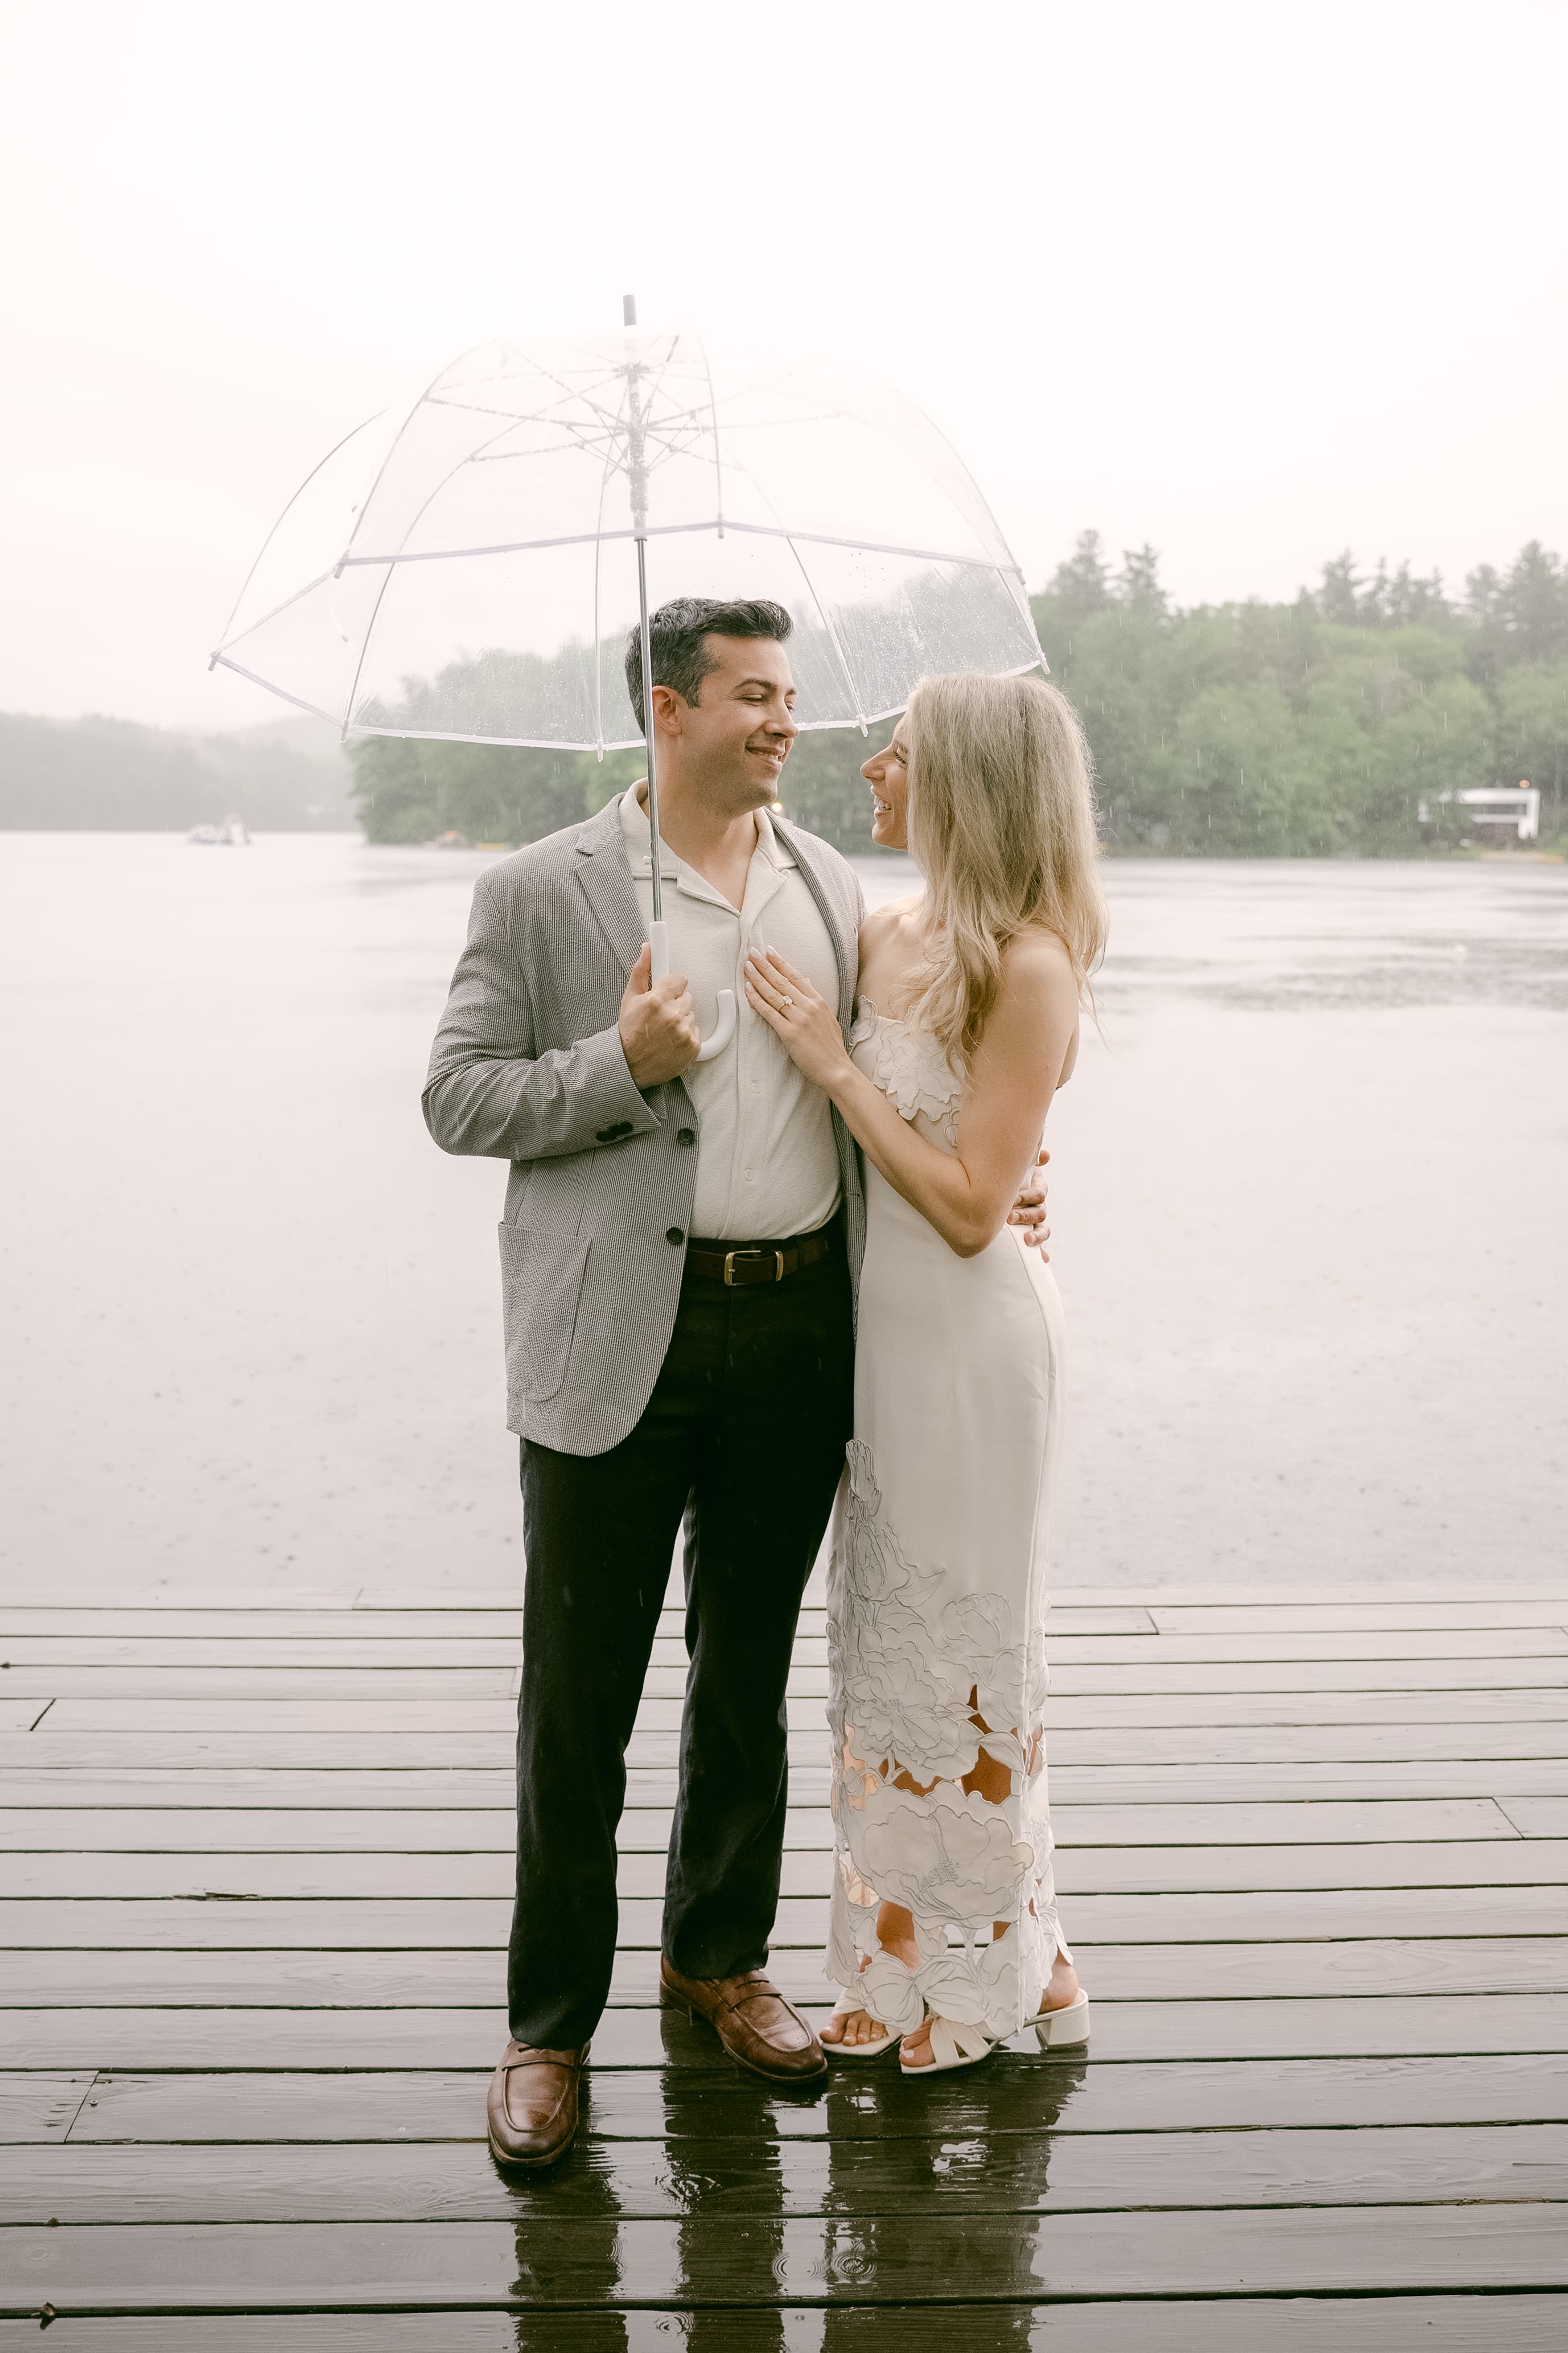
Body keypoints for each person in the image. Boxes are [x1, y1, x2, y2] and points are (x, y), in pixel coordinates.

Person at [422, 599, 1050, 2167]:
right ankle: (544, 2025)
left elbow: (911, 1081)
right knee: (577, 1701)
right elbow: (454, 1094)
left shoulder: (831, 886)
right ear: (668, 707)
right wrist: (615, 1059)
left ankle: (719, 1957)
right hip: (611, 1341)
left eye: (788, 698)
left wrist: (1015, 1183)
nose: (785, 725)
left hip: (794, 1332)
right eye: (754, 698)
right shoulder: (539, 889)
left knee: (748, 1674)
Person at [743, 671, 1104, 2073]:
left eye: (896, 753)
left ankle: (989, 1978)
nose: (872, 769)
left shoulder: (1029, 962)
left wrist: (839, 1071)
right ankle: (912, 1957)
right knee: (889, 1651)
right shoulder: (881, 931)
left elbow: (968, 1207)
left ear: (961, 780)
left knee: (972, 1648)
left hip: (973, 1340)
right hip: (878, 1339)